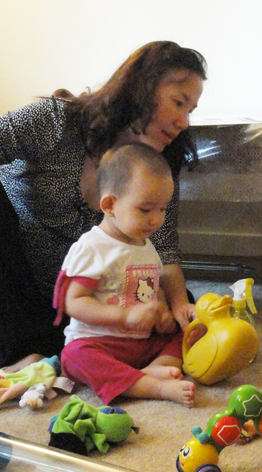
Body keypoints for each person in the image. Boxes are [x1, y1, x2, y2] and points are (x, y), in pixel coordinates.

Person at [0, 41, 206, 372]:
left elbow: (164, 254)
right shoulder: (56, 121)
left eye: (191, 111)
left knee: (171, 310)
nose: (183, 121)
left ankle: (20, 341)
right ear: (141, 89)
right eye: (178, 102)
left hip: (74, 305)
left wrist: (179, 304)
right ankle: (22, 341)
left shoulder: (156, 163)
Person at [53, 143, 195, 407]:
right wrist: (124, 316)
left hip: (140, 343)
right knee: (73, 357)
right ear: (109, 204)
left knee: (185, 333)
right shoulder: (92, 247)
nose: (156, 220)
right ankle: (153, 387)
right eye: (145, 209)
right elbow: (73, 302)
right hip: (99, 343)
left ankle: (152, 369)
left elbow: (148, 291)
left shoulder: (146, 245)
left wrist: (162, 314)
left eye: (162, 209)